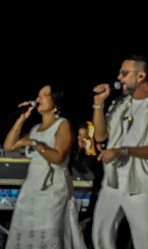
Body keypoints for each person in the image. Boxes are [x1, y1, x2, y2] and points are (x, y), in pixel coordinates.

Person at [91, 56, 148, 249]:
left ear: (141, 76)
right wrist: (98, 105)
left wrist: (123, 151)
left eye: (124, 73)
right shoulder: (120, 104)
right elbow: (100, 136)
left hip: (139, 183)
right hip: (113, 180)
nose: (119, 77)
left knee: (145, 237)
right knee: (101, 233)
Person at [2, 85, 86, 248]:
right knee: (27, 232)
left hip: (52, 189)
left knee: (49, 234)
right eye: (38, 95)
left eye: (45, 95)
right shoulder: (35, 129)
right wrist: (22, 118)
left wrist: (35, 144)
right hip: (32, 188)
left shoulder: (63, 125)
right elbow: (9, 146)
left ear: (55, 102)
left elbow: (58, 157)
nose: (38, 99)